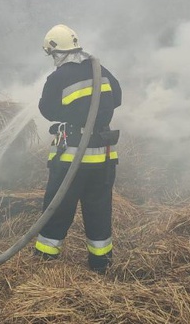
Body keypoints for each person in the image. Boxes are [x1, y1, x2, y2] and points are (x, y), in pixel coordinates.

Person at [34, 24, 122, 273]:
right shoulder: (101, 70)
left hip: (72, 158)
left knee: (58, 208)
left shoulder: (58, 77)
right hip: (104, 158)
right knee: (99, 210)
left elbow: (47, 111)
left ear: (56, 52)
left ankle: (44, 260)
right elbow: (118, 98)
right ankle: (101, 264)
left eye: (52, 55)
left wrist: (72, 114)